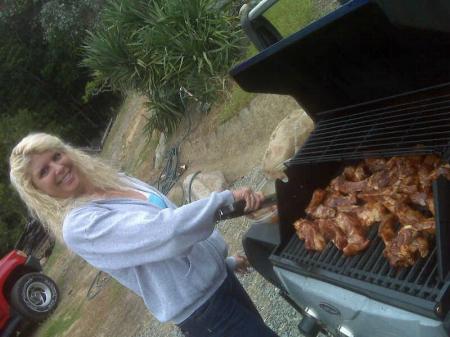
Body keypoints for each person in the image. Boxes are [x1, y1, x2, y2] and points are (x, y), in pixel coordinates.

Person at [9, 133, 279, 337]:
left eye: (56, 156)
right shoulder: (80, 226)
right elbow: (167, 232)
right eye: (43, 171)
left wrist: (222, 261)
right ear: (39, 191)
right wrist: (224, 198)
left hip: (220, 282)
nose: (57, 168)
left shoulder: (111, 181)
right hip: (205, 311)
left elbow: (171, 216)